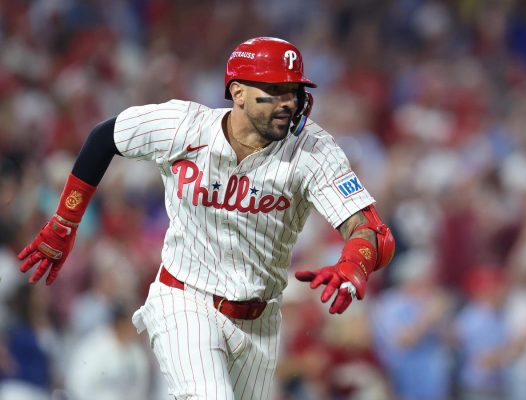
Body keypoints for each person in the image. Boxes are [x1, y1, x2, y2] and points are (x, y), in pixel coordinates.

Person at [16, 36, 395, 400]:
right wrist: (65, 221)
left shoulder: (312, 150)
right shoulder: (185, 125)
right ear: (238, 92)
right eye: (275, 90)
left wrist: (355, 264)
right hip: (184, 299)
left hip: (260, 320)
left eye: (294, 91)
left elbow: (372, 231)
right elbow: (105, 137)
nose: (288, 102)